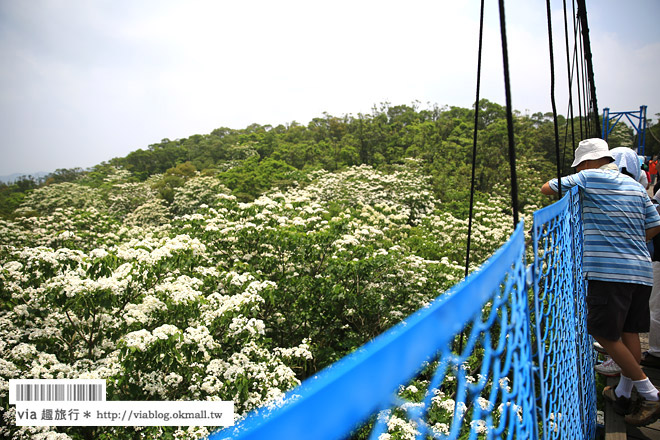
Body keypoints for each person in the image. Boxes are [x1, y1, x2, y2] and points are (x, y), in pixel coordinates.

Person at [541, 138, 660, 426]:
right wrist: (627, 241)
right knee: (629, 331)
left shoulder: (588, 177)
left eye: (580, 163)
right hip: (641, 271)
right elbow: (654, 225)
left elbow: (547, 187)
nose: (579, 168)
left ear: (589, 161)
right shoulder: (635, 185)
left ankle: (651, 394)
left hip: (608, 273)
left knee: (602, 331)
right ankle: (622, 391)